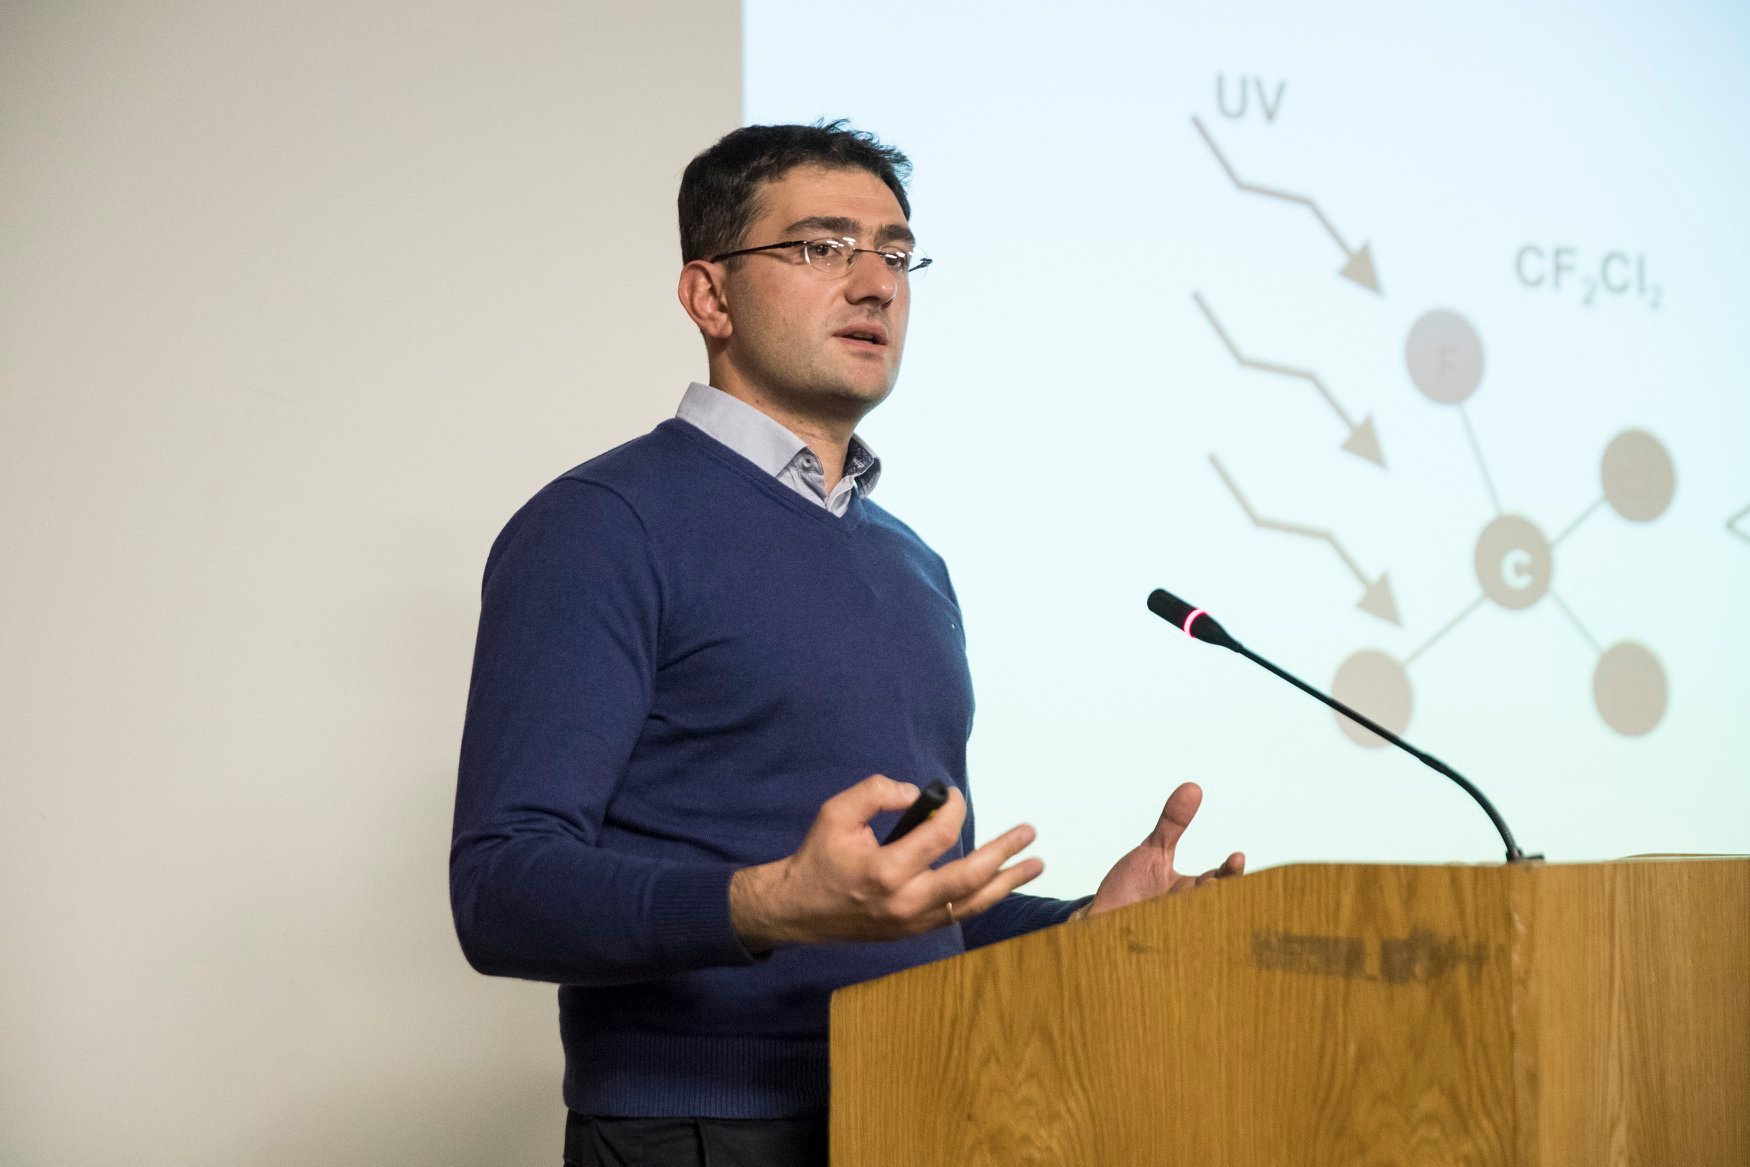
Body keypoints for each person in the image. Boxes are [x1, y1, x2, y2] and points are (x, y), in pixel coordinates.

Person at [450, 121, 1245, 1167]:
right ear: (709, 296)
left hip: (921, 1111)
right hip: (699, 1131)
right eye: (821, 246)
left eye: (895, 254)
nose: (874, 284)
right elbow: (501, 891)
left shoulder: (911, 563)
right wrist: (774, 903)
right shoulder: (603, 524)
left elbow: (909, 906)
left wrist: (1085, 926)